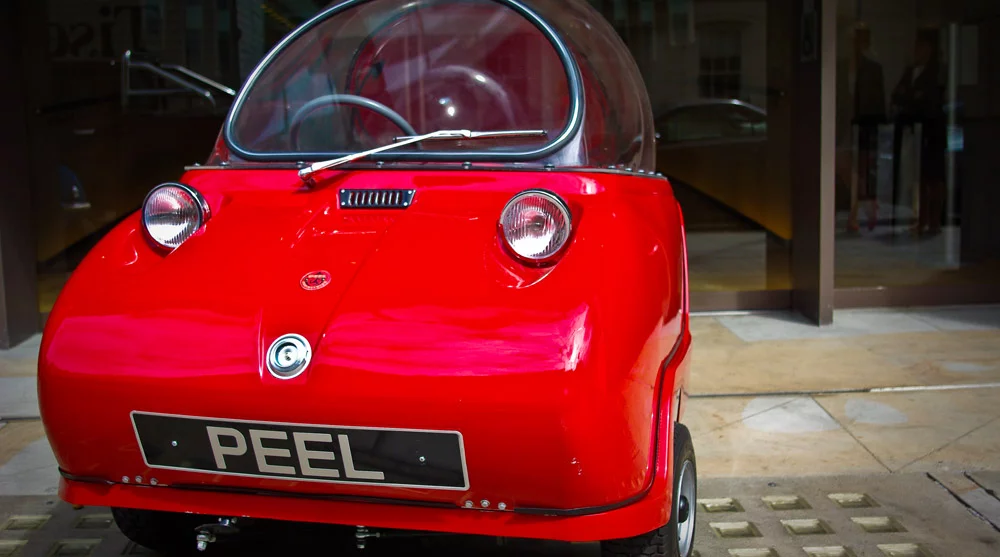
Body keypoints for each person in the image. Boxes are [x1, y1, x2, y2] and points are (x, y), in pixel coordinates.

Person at [891, 27, 947, 236]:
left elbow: (928, 100)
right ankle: (922, 219)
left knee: (934, 177)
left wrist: (912, 97)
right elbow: (898, 95)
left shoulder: (937, 72)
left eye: (920, 46)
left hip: (933, 130)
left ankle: (935, 220)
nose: (916, 50)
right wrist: (911, 97)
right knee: (921, 177)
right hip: (917, 131)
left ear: (929, 48)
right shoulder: (910, 72)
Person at [837, 23, 886, 232]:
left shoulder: (873, 68)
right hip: (843, 123)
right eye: (853, 40)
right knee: (843, 164)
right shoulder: (841, 66)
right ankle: (866, 202)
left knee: (860, 168)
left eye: (860, 40)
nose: (855, 44)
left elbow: (878, 101)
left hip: (863, 124)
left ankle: (854, 214)